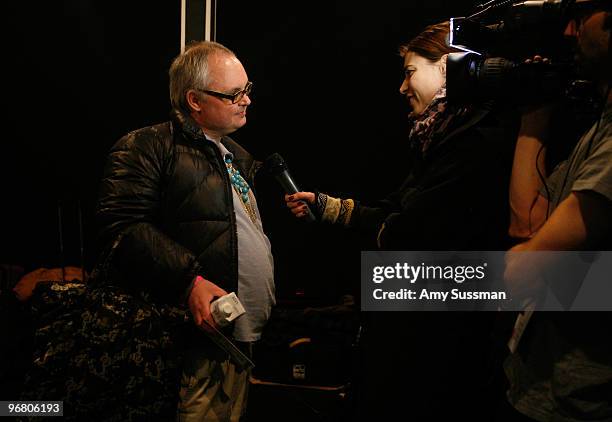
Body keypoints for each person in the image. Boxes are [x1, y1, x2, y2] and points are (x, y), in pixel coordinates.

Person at [21, 41, 275, 421]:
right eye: (234, 94)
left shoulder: (234, 157)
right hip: (185, 348)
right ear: (194, 100)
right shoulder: (147, 145)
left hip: (234, 347)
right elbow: (121, 226)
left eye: (247, 90)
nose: (246, 101)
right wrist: (189, 281)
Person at [285, 22, 518, 420]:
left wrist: (391, 229)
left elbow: (411, 226)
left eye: (410, 72)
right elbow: (400, 209)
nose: (402, 87)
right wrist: (329, 207)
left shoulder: (474, 139)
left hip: (445, 332)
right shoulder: (444, 135)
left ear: (446, 68)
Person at [501, 0, 612, 421]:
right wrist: (535, 115)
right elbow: (527, 221)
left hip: (584, 402)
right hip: (548, 389)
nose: (570, 32)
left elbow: (528, 267)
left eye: (584, 17)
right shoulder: (600, 130)